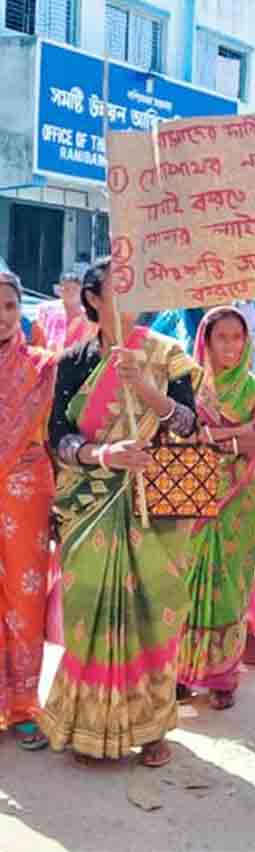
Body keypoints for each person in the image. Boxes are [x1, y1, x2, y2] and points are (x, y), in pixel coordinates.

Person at [38, 258, 201, 767]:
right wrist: (103, 455)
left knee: (154, 615)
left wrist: (146, 389)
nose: (130, 298)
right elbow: (56, 437)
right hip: (89, 504)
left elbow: (188, 427)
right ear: (91, 299)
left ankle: (152, 729)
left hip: (154, 508)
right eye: (117, 288)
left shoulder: (166, 355)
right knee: (89, 616)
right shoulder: (73, 360)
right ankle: (86, 726)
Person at [177, 307, 255, 710]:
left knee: (229, 587)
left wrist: (217, 437)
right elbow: (183, 436)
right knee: (186, 583)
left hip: (237, 505)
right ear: (206, 341)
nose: (231, 346)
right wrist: (238, 433)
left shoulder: (254, 388)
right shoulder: (189, 386)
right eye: (223, 338)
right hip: (192, 500)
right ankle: (181, 672)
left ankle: (222, 677)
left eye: (238, 337)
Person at [0, 272, 57, 750]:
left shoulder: (42, 366)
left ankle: (23, 706)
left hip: (28, 490)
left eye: (8, 307)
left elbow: (57, 435)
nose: (0, 317)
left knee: (25, 597)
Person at [34, 272, 97, 358]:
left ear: (81, 291)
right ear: (60, 290)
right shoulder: (46, 310)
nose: (71, 293)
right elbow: (37, 337)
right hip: (47, 360)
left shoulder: (89, 316)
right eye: (67, 289)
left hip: (74, 363)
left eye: (75, 289)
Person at [233, 298, 255, 369]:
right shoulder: (236, 305)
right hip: (237, 344)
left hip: (253, 343)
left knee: (250, 368)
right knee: (237, 367)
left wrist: (252, 334)